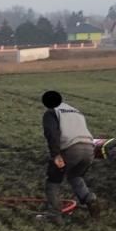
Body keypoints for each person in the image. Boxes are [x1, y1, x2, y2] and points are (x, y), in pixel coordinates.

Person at [38, 90, 101, 221]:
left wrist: (56, 155)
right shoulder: (76, 111)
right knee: (75, 175)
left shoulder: (51, 113)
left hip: (71, 149)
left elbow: (52, 134)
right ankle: (90, 199)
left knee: (53, 181)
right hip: (89, 148)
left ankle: (54, 215)